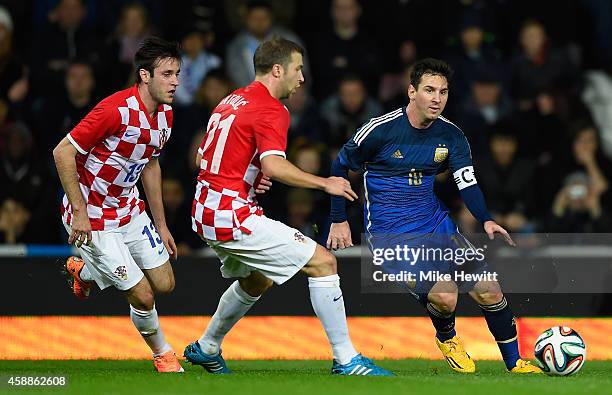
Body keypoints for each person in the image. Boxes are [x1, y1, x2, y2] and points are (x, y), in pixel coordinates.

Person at [184, 37, 392, 376]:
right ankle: (347, 360)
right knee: (323, 263)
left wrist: (249, 176)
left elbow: (202, 156)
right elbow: (275, 167)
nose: (302, 79)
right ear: (278, 69)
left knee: (258, 279)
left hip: (205, 207)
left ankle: (207, 347)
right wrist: (326, 182)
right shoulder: (272, 108)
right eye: (298, 69)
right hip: (230, 211)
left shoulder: (231, 99)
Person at [327, 58, 542, 374]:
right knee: (445, 296)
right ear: (411, 91)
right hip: (391, 237)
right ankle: (447, 338)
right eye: (429, 90)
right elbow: (338, 166)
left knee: (489, 288)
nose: (436, 98)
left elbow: (466, 181)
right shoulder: (379, 131)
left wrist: (485, 219)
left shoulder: (451, 136)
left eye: (443, 91)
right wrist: (337, 218)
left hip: (437, 226)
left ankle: (515, 363)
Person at [52, 37, 183, 373]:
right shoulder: (114, 110)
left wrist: (162, 224)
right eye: (167, 74)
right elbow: (62, 152)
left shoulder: (166, 115)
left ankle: (86, 272)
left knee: (166, 284)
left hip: (129, 210)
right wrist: (80, 213)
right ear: (144, 76)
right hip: (91, 216)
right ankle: (163, 354)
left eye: (177, 73)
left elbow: (150, 165)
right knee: (143, 295)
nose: (175, 81)